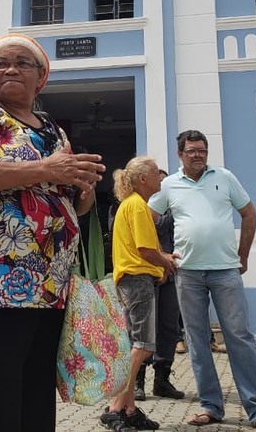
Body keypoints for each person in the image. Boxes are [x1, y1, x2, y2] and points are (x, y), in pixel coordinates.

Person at [0, 33, 105, 432]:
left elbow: (72, 205)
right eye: (1, 63)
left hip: (49, 294)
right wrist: (47, 170)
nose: (10, 68)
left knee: (33, 413)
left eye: (22, 63)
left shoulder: (52, 131)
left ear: (40, 78)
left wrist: (84, 189)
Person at [149, 130, 256, 431]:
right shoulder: (169, 184)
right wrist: (161, 255)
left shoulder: (225, 177)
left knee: (239, 337)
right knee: (196, 341)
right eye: (192, 150)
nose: (198, 155)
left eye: (202, 150)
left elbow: (249, 214)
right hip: (188, 273)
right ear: (180, 154)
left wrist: (243, 254)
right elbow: (147, 219)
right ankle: (210, 405)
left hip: (226, 271)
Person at [99, 157, 179, 432]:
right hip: (138, 281)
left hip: (131, 279)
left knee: (135, 345)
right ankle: (115, 408)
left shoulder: (130, 204)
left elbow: (142, 248)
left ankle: (130, 409)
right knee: (143, 346)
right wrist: (166, 262)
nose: (161, 177)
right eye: (157, 173)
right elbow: (146, 250)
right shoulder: (138, 206)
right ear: (143, 178)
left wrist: (164, 257)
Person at [135, 169, 186, 403]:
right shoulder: (138, 207)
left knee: (167, 327)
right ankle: (137, 382)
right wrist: (160, 260)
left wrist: (169, 263)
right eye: (159, 180)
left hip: (172, 271)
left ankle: (162, 380)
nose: (162, 184)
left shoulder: (177, 208)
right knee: (143, 328)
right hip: (146, 271)